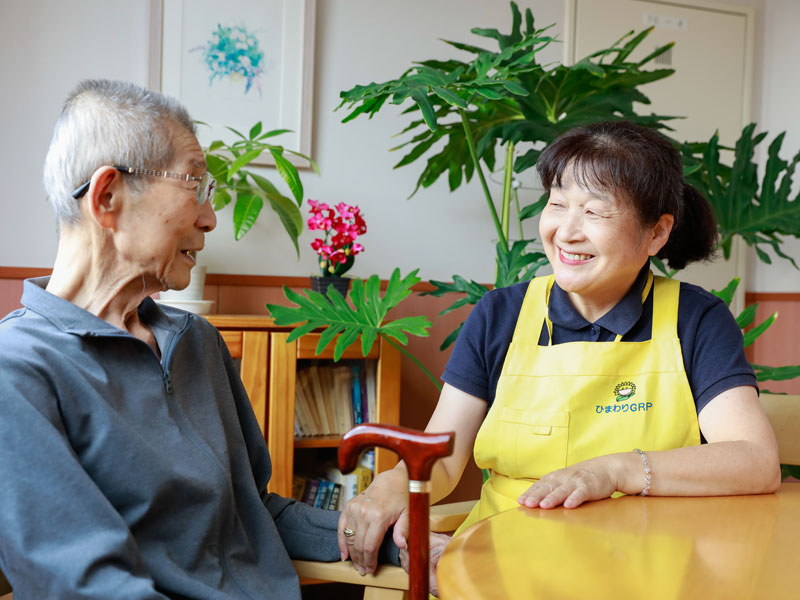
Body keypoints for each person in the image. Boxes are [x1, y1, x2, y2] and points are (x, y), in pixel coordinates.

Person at [338, 120, 781, 593]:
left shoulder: (696, 319)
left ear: (656, 234)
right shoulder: (500, 315)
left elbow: (754, 459)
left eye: (594, 211)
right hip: (504, 570)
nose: (567, 231)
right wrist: (387, 489)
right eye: (557, 204)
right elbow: (442, 461)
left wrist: (615, 470)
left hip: (647, 570)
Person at [0, 79, 397, 599]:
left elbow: (253, 512)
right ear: (108, 196)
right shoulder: (19, 370)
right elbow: (89, 587)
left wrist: (385, 539)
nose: (210, 218)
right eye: (194, 185)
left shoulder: (197, 342)